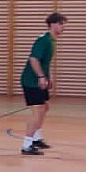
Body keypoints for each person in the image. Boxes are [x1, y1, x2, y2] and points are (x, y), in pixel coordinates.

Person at [19, 12, 66, 156]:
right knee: (38, 110)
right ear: (52, 24)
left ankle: (36, 138)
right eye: (60, 24)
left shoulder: (52, 41)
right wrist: (40, 77)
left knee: (45, 107)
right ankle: (27, 145)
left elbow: (44, 62)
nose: (63, 27)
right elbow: (33, 59)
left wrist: (48, 77)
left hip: (39, 80)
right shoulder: (43, 40)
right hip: (31, 81)